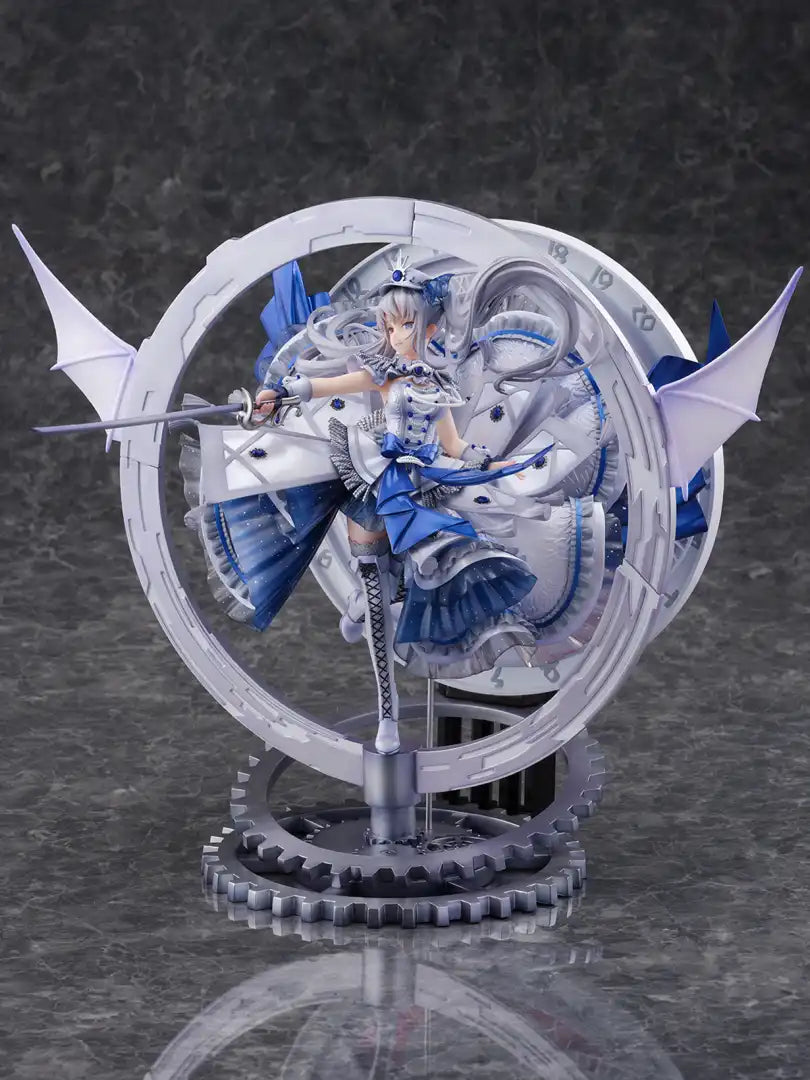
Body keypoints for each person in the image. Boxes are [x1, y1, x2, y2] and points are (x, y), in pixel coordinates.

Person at [181, 253, 613, 754]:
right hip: (372, 477)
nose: (394, 334)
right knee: (364, 568)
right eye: (388, 325)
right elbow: (329, 384)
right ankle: (385, 705)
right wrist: (283, 393)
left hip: (422, 483)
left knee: (444, 562)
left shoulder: (435, 384)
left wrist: (487, 462)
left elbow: (453, 444)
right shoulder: (384, 372)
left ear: (428, 329)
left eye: (404, 325)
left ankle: (373, 604)